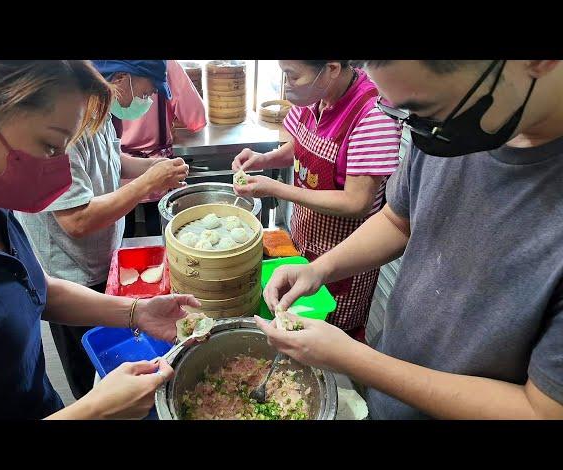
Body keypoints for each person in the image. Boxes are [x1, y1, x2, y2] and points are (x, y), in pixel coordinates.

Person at [259, 60, 563, 419]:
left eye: (428, 110)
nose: (419, 131)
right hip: (389, 396)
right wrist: (320, 269)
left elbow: (541, 410)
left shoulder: (457, 129)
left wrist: (353, 358)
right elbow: (397, 219)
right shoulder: (446, 126)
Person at [0, 60, 199, 419]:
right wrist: (95, 410)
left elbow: (38, 289)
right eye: (51, 147)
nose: (61, 175)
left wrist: (137, 312)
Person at [15, 60, 189, 400]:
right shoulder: (63, 127)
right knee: (90, 373)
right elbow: (76, 220)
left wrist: (154, 168)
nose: (150, 98)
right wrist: (146, 185)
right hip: (69, 275)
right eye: (147, 89)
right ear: (120, 79)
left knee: (115, 356)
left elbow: (114, 160)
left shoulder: (101, 110)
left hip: (104, 260)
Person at [233, 60, 401, 341]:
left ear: (332, 69)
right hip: (305, 239)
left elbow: (357, 201)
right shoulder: (314, 96)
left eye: (293, 76)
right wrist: (264, 159)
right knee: (294, 320)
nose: (287, 86)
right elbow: (300, 146)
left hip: (346, 257)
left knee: (331, 333)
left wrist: (277, 188)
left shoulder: (372, 115)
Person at [118, 60, 206, 237]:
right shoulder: (165, 64)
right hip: (154, 176)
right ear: (120, 79)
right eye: (146, 93)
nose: (149, 96)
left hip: (123, 178)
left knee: (121, 237)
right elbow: (195, 117)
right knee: (159, 236)